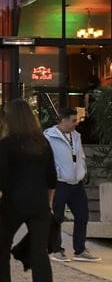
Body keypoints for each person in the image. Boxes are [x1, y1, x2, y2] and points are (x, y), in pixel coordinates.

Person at [0, 99, 56, 282]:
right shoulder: (43, 143)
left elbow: (1, 177)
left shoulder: (7, 144)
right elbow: (51, 178)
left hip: (14, 202)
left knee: (3, 248)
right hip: (39, 202)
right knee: (39, 254)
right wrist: (48, 203)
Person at [44, 107, 101, 262]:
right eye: (73, 120)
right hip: (59, 182)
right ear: (63, 120)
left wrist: (82, 170)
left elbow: (80, 156)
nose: (76, 123)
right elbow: (46, 159)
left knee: (82, 215)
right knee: (57, 217)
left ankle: (80, 249)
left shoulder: (76, 136)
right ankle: (56, 249)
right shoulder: (49, 137)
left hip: (76, 182)